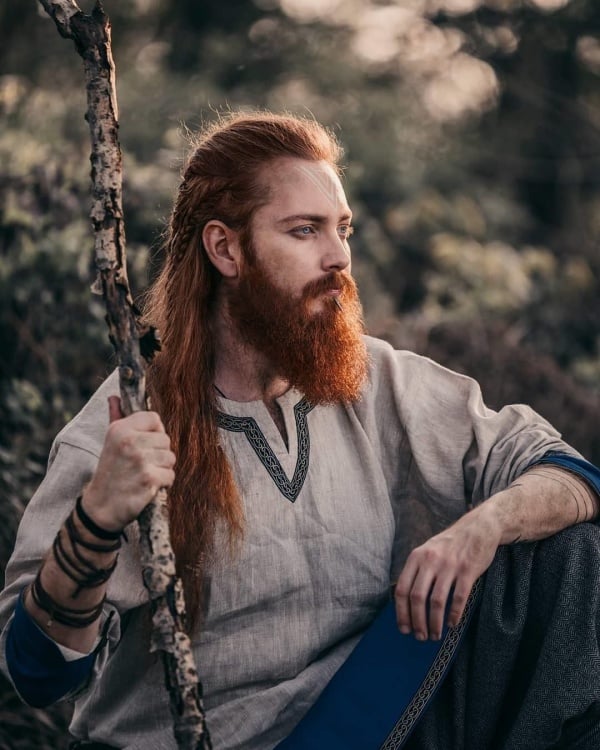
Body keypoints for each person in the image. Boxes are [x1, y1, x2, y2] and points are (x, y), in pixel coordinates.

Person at [1, 112, 600, 750]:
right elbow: (36, 671)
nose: (339, 256)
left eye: (341, 229)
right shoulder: (126, 427)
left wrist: (480, 530)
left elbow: (570, 474)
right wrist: (95, 519)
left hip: (375, 724)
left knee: (573, 561)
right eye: (304, 230)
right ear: (226, 249)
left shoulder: (376, 382)